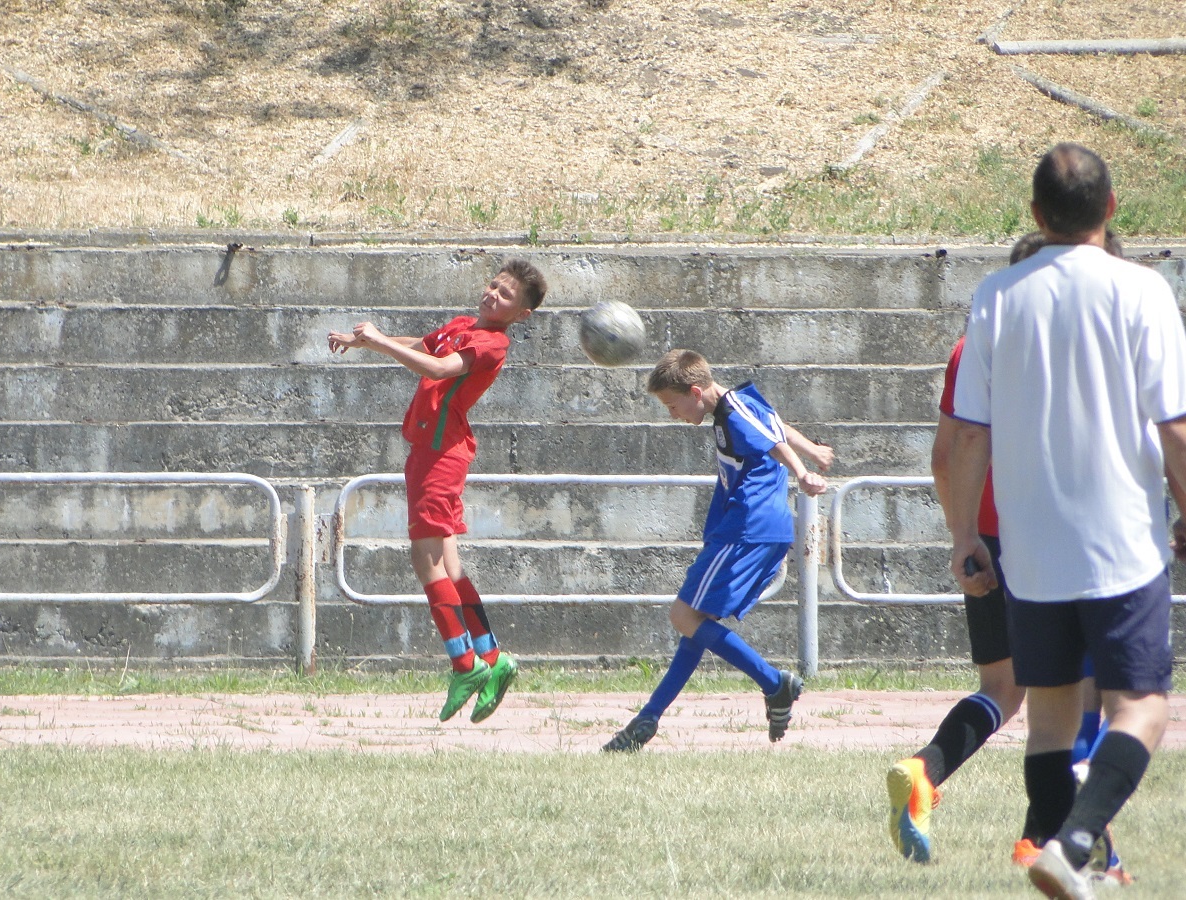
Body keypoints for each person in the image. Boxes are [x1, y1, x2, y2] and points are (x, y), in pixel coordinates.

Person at [945, 143, 1186, 899]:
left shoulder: (997, 295)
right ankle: (1077, 841)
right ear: (1112, 209)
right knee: (1140, 706)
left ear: (1036, 215)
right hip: (1121, 542)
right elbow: (1174, 427)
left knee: (1048, 722)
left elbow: (964, 438)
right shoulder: (1142, 290)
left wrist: (964, 537)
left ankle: (1070, 863)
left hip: (1032, 550)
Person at [889, 230, 1133, 885]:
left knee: (1002, 688)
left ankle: (924, 773)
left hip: (988, 536)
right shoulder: (1085, 341)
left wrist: (961, 537)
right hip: (1060, 535)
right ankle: (1056, 840)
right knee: (1081, 691)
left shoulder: (970, 348)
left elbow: (946, 456)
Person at [328, 259, 548, 724]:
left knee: (424, 562)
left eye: (506, 296)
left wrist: (382, 342)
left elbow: (439, 366)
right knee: (449, 565)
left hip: (439, 456)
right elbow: (423, 346)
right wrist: (367, 340)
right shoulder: (465, 324)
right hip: (432, 451)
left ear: (521, 315)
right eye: (493, 285)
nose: (493, 295)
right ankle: (491, 659)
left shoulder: (491, 343)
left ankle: (462, 664)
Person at [602, 349, 832, 751]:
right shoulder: (740, 401)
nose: (673, 414)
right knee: (696, 626)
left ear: (695, 391)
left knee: (682, 615)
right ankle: (647, 720)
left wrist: (803, 473)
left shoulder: (732, 412)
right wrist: (813, 449)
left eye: (673, 405)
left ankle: (773, 682)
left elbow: (774, 444)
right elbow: (776, 428)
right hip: (759, 530)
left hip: (747, 527)